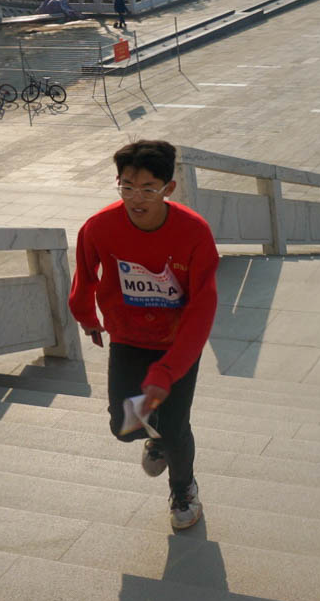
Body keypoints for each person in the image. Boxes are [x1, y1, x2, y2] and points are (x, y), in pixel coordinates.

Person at [68, 140, 218, 531]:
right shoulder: (100, 226)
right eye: (127, 187)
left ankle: (184, 490)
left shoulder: (194, 233)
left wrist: (168, 369)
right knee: (123, 425)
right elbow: (85, 274)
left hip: (177, 342)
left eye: (149, 189)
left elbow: (203, 307)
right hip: (128, 336)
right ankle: (156, 436)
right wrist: (86, 316)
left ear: (169, 188)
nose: (137, 198)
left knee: (176, 426)